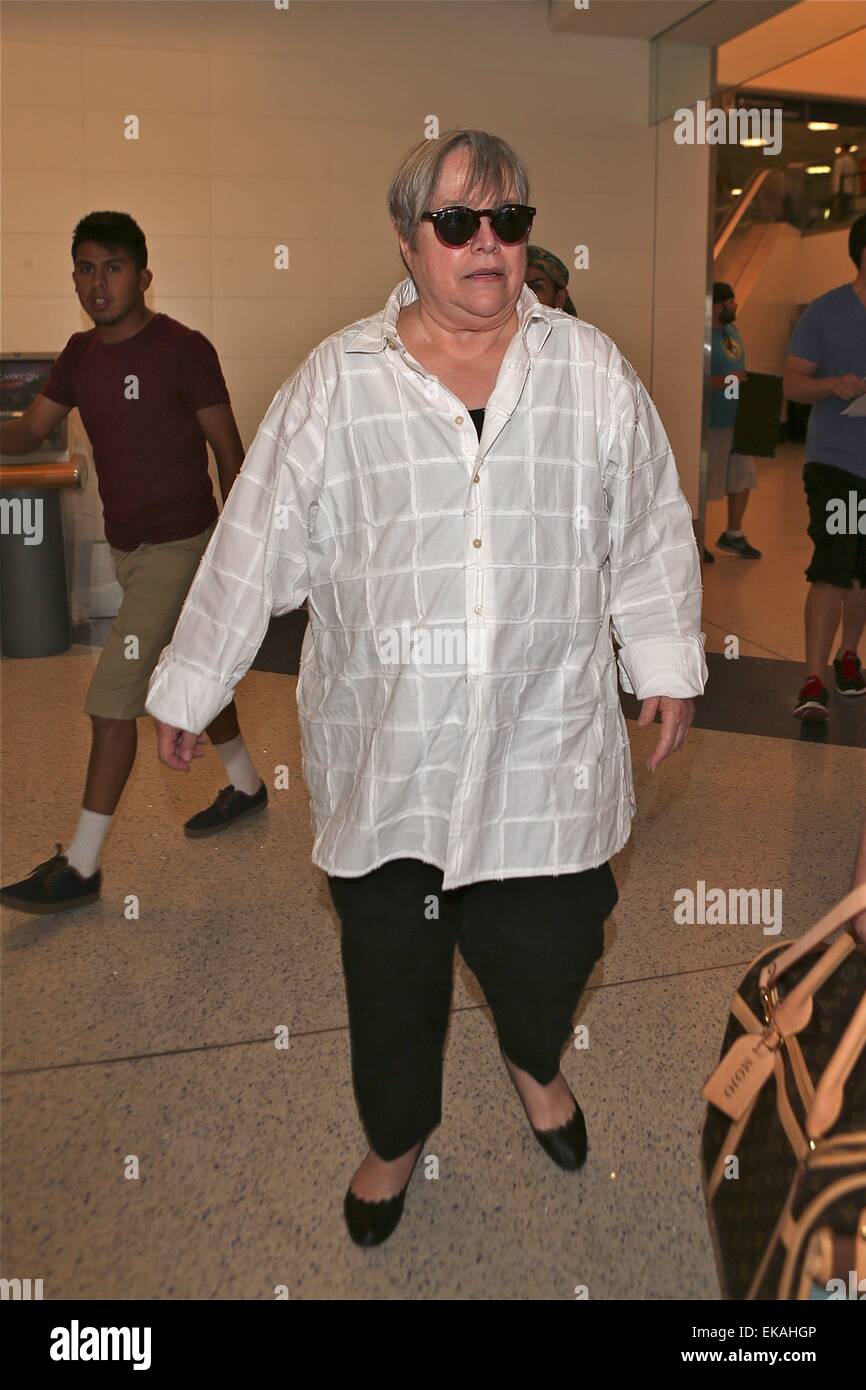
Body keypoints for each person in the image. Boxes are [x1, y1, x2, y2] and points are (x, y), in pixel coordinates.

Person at [144, 129, 707, 1247]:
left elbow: (647, 525)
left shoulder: (589, 373)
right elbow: (254, 537)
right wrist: (189, 679)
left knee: (560, 941)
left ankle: (530, 1052)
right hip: (389, 753)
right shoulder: (337, 383)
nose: (486, 245)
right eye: (458, 222)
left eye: (509, 223)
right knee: (392, 969)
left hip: (543, 749)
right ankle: (397, 1135)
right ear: (407, 240)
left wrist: (663, 660)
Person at [0, 212, 266, 916]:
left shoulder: (184, 349)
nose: (97, 282)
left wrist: (240, 552)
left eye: (112, 267)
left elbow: (229, 452)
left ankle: (81, 869)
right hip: (130, 550)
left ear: (143, 275)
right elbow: (29, 429)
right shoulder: (80, 356)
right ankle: (246, 787)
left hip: (182, 547)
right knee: (193, 673)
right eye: (85, 268)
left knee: (113, 695)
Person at [783, 215, 866, 720]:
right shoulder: (825, 312)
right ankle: (813, 677)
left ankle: (850, 655)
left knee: (862, 571)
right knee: (835, 565)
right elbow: (794, 384)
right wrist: (832, 385)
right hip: (836, 463)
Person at [706, 282, 761, 561]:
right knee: (707, 478)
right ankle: (697, 537)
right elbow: (697, 379)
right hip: (714, 420)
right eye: (731, 302)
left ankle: (733, 534)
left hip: (739, 418)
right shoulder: (703, 337)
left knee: (743, 476)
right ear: (718, 306)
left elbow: (736, 370)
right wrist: (727, 381)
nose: (736, 306)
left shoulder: (732, 332)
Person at [525, 245, 577, 315]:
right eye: (517, 288)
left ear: (559, 299)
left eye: (536, 288)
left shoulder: (573, 325)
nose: (523, 296)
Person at [831, 144, 858, 223]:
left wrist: (836, 188)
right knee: (847, 209)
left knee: (839, 209)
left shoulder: (840, 161)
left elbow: (837, 175)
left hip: (841, 189)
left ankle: (838, 224)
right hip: (850, 188)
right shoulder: (852, 161)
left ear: (843, 149)